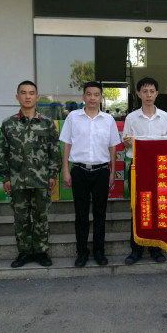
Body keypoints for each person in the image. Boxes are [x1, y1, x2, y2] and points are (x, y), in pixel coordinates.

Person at [0, 81, 61, 268]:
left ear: (37, 97)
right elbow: (3, 153)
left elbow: (54, 152)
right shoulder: (8, 124)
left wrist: (53, 174)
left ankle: (41, 252)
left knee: (41, 218)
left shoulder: (47, 124)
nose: (27, 96)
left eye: (31, 93)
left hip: (41, 180)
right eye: (23, 93)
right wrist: (5, 177)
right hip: (17, 181)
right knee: (21, 219)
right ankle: (24, 253)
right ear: (17, 96)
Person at [60, 81, 120, 267]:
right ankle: (82, 253)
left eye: (96, 95)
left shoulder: (108, 120)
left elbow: (112, 147)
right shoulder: (73, 117)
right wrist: (65, 169)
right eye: (89, 94)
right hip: (79, 171)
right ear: (83, 97)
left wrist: (112, 172)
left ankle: (99, 252)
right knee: (81, 214)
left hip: (101, 171)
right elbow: (67, 144)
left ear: (101, 98)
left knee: (100, 214)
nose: (92, 98)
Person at [122, 77, 167, 264]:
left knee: (158, 208)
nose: (149, 95)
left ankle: (155, 249)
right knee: (138, 208)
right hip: (138, 168)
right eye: (145, 91)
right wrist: (127, 142)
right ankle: (136, 249)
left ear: (157, 93)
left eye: (152, 91)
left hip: (159, 169)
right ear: (138, 94)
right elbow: (126, 143)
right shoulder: (131, 118)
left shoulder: (165, 117)